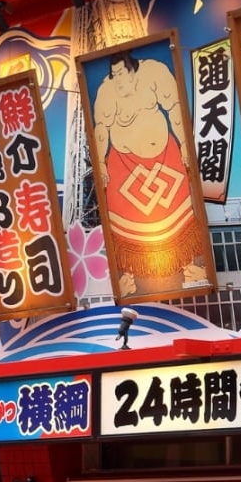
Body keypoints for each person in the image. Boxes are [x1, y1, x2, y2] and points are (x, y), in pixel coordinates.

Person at [92, 50, 207, 297]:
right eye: (114, 74)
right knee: (122, 225)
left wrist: (185, 144)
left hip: (165, 158)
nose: (118, 79)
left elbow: (175, 107)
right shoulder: (106, 92)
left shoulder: (154, 72)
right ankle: (126, 278)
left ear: (132, 69)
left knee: (183, 215)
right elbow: (100, 131)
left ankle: (193, 269)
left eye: (121, 73)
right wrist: (100, 164)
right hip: (125, 167)